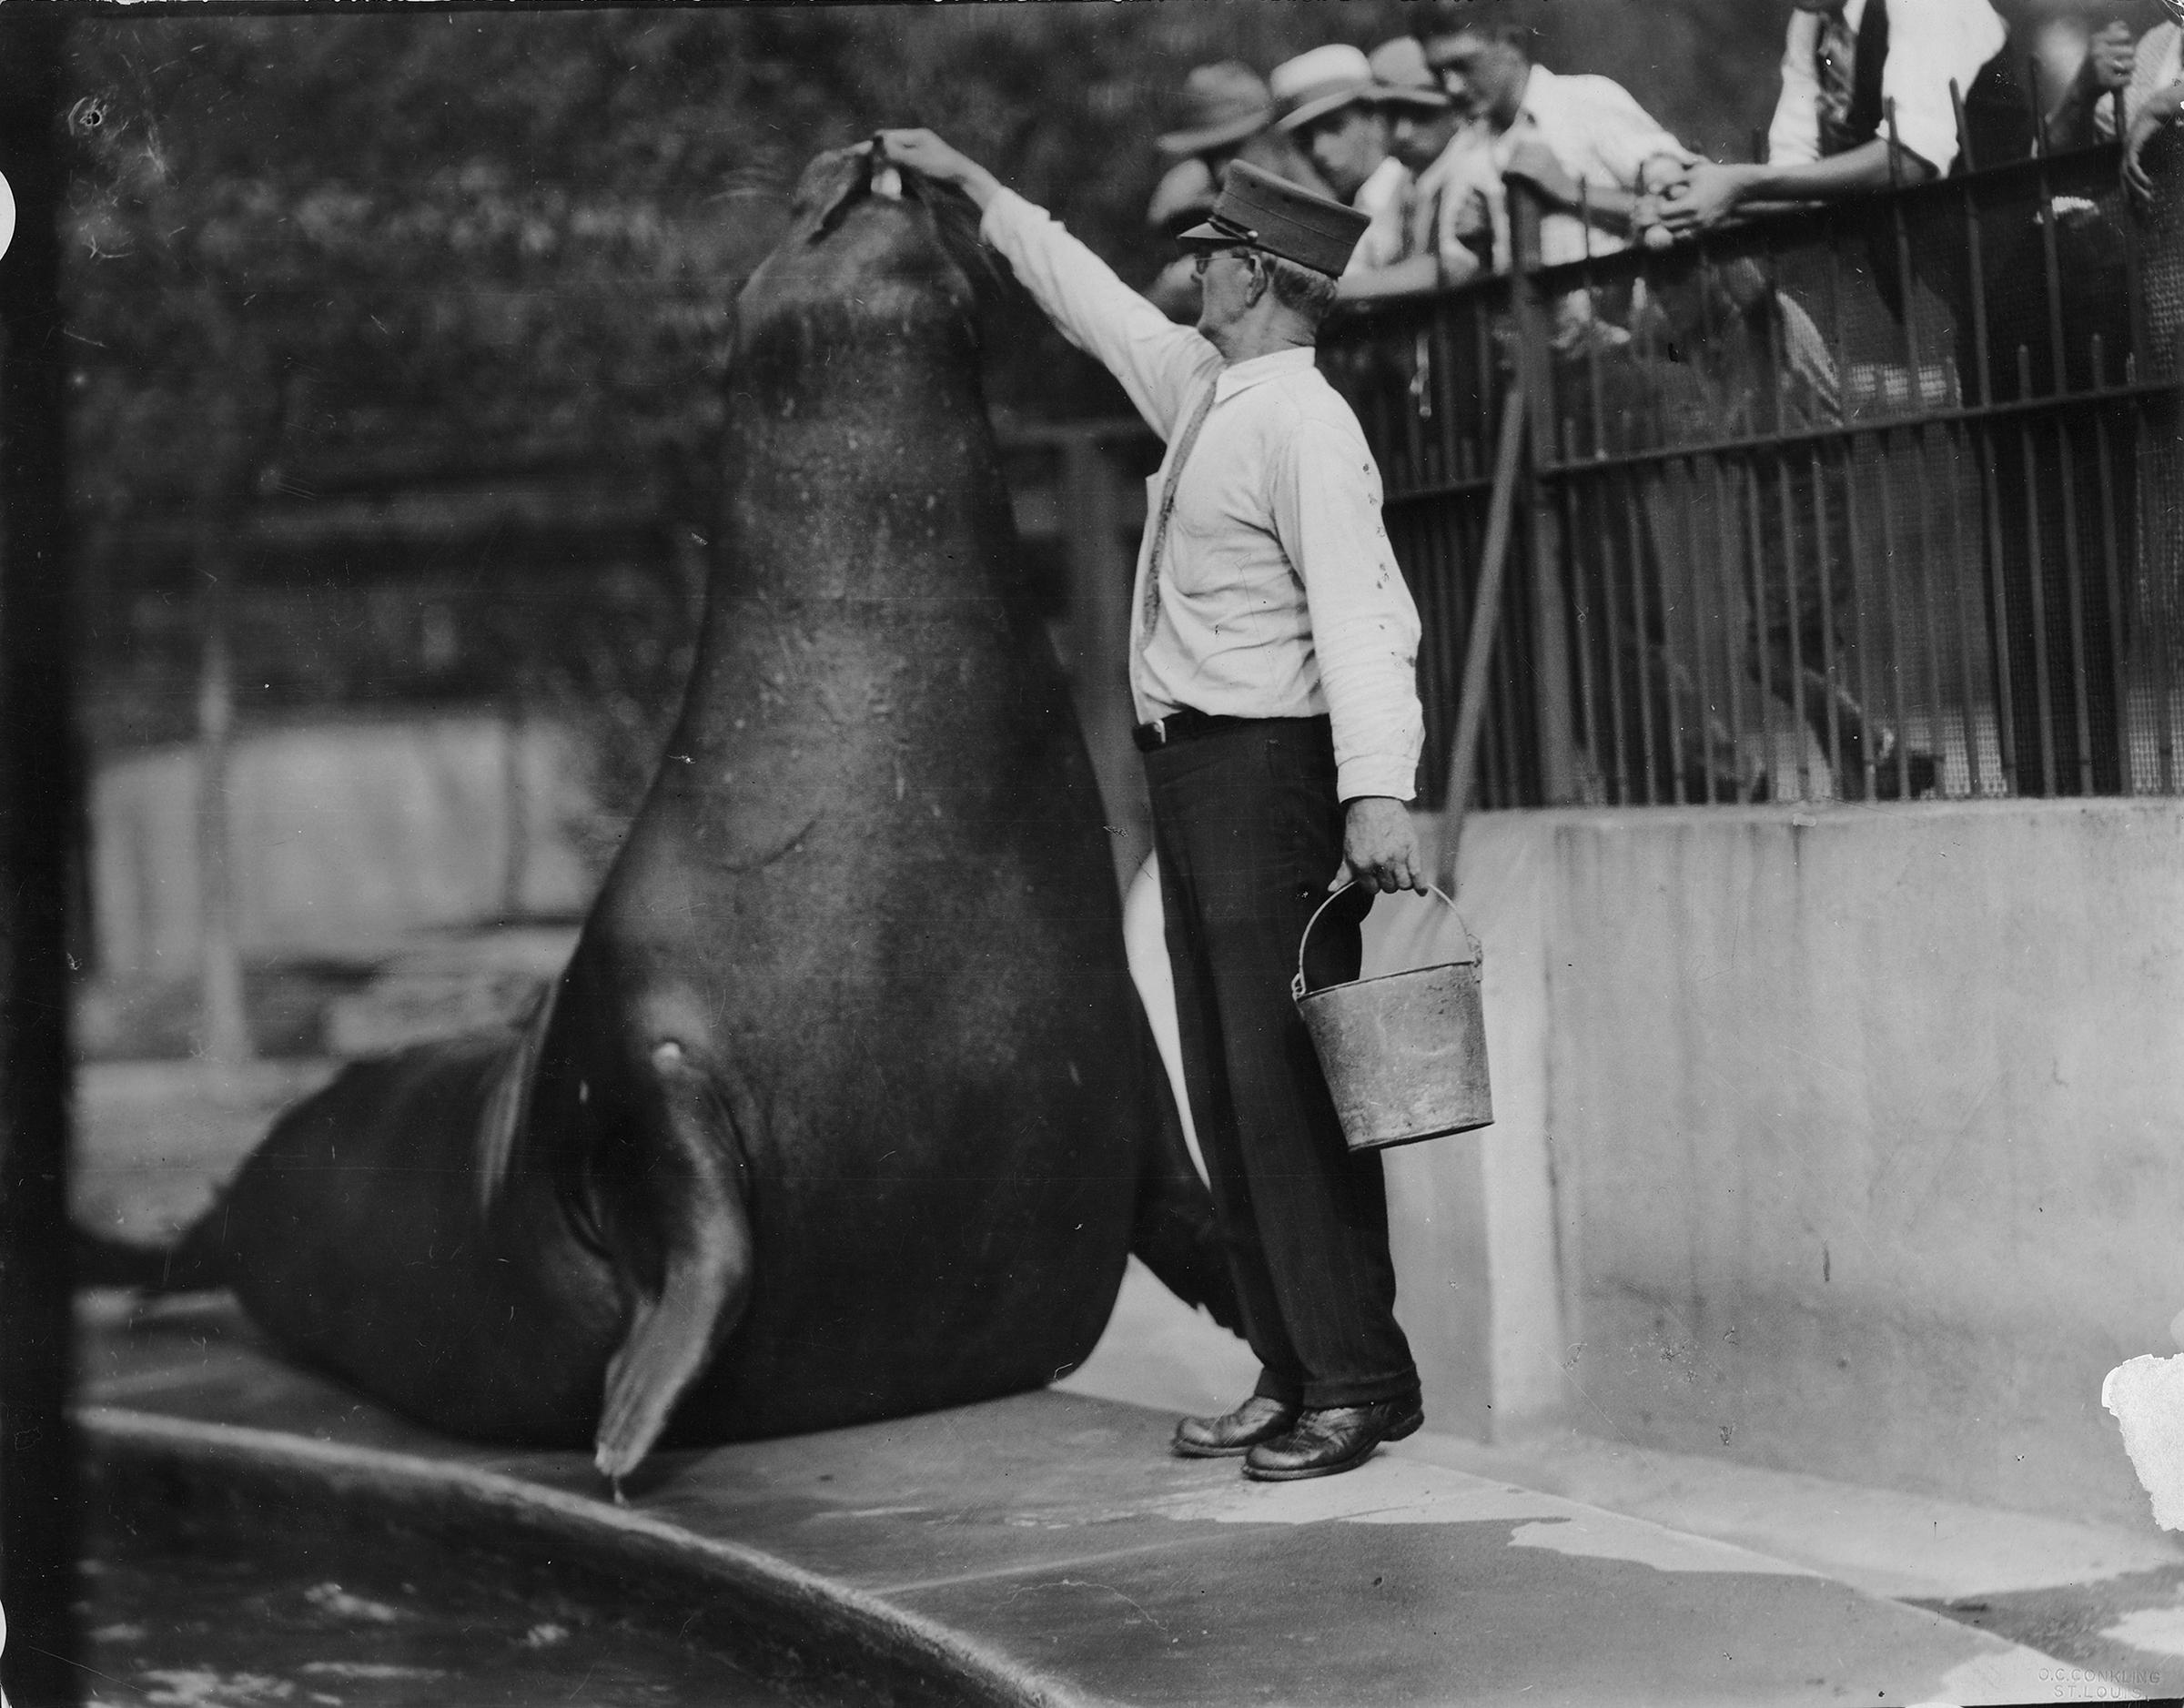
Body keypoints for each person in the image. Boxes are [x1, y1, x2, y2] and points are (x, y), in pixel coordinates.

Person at [876, 128, 1430, 1482]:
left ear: (1252, 274)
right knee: (1227, 1088)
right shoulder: (1212, 392)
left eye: (1206, 257)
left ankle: (1358, 1378)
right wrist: (982, 189)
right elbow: (1096, 304)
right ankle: (1292, 1363)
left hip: (1272, 779)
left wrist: (1377, 794)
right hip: (1197, 776)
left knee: (1286, 1088)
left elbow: (1367, 621)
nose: (1184, 274)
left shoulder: (1304, 419)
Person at [1340, 36, 1476, 298]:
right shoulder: (1395, 181)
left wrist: (1336, 291)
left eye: (1420, 113)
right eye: (1392, 116)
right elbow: (1364, 258)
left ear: (1455, 111)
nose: (1403, 133)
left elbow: (1449, 268)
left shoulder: (1469, 162)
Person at [1270, 44, 1413, 273]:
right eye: (1304, 137)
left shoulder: (1404, 193)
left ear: (1374, 118)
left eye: (1334, 127)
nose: (1319, 150)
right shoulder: (1355, 206)